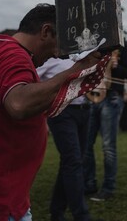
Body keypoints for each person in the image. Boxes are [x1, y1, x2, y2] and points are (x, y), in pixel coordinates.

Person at [0, 3, 102, 221]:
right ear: (45, 31)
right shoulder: (13, 55)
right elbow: (18, 104)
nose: (57, 56)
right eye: (58, 45)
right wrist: (74, 72)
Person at [38, 57, 94, 221]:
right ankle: (81, 215)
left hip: (84, 109)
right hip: (62, 112)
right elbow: (32, 81)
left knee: (72, 162)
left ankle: (57, 211)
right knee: (73, 161)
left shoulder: (82, 54)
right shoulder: (49, 58)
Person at [84, 43, 127, 201]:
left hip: (111, 98)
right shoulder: (95, 44)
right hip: (92, 97)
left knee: (108, 147)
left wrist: (116, 66)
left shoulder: (123, 47)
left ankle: (108, 188)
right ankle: (89, 183)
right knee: (86, 144)